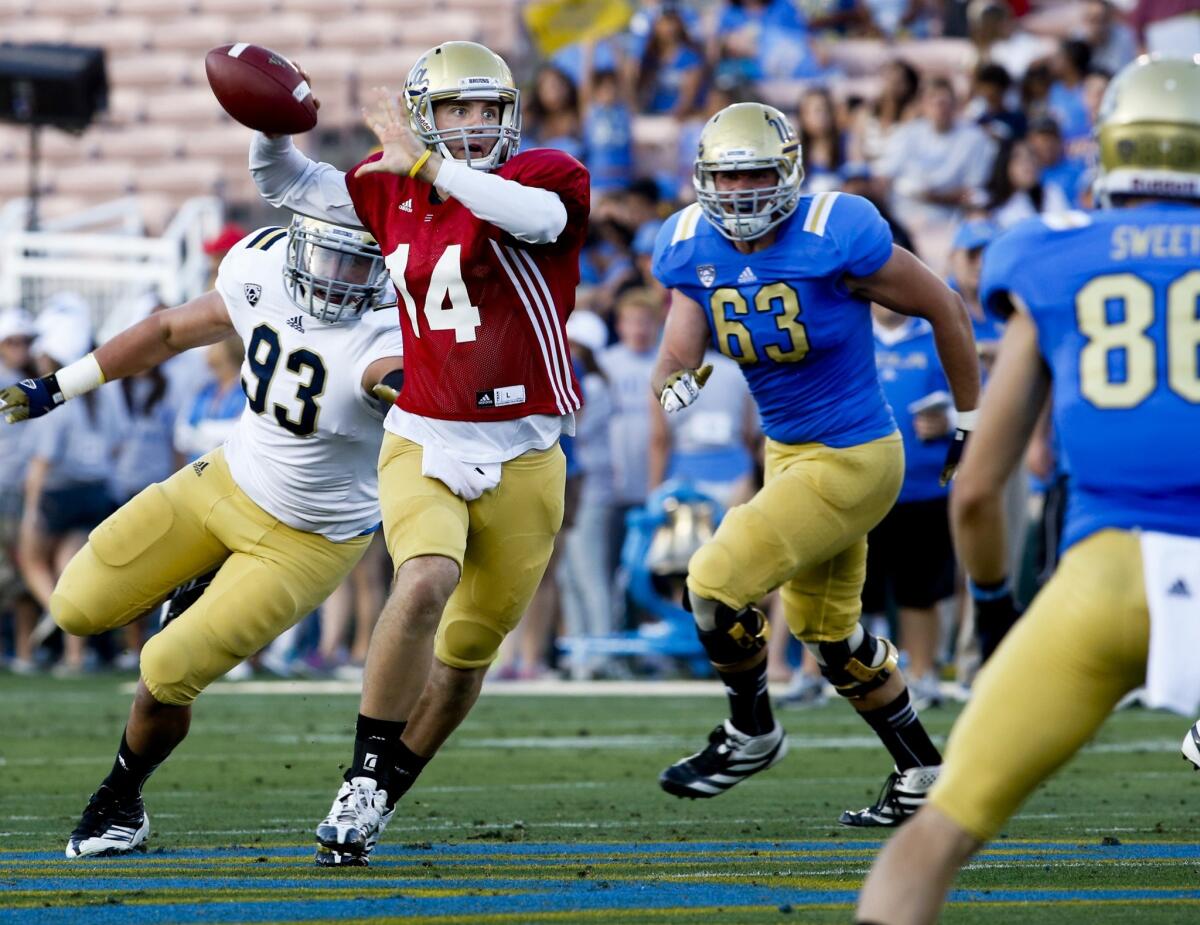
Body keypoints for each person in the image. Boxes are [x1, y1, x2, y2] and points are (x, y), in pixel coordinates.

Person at [857, 56, 1200, 924]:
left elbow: (977, 489)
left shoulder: (1050, 255)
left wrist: (1002, 607)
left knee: (934, 837)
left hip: (1099, 580)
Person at [247, 41, 590, 866]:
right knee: (426, 575)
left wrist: (426, 163)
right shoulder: (388, 183)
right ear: (425, 113)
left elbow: (535, 221)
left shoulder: (548, 175)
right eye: (454, 111)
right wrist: (267, 119)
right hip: (425, 434)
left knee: (467, 658)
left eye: (485, 110)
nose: (472, 126)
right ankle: (363, 772)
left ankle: (387, 789)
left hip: (526, 450)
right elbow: (287, 182)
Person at [0, 216, 404, 857]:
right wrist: (56, 386)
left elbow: (396, 379)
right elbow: (166, 331)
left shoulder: (391, 330)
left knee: (165, 667)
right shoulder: (264, 269)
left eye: (358, 262)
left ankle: (121, 799)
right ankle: (204, 572)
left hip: (308, 538)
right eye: (327, 256)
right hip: (223, 482)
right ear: (298, 243)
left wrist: (421, 396)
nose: (337, 277)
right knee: (74, 606)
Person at [650, 101, 980, 826]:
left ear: (789, 172)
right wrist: (677, 382)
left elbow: (946, 309)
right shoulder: (687, 247)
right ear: (704, 180)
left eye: (756, 176)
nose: (739, 194)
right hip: (786, 452)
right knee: (830, 635)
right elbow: (681, 350)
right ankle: (924, 770)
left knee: (711, 582)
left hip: (854, 454)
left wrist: (969, 417)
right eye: (725, 180)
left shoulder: (837, 234)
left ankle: (751, 731)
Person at [867, 305, 958, 708]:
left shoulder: (938, 332)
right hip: (861, 484)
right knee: (853, 592)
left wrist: (949, 421)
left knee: (919, 592)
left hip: (924, 485)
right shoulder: (848, 328)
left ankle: (923, 674)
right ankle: (834, 674)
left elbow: (981, 401)